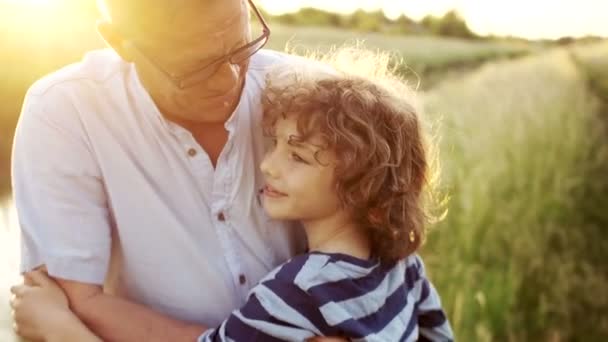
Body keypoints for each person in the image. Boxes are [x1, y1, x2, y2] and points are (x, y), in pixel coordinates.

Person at [11, 49, 454, 341]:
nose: (267, 163)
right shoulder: (401, 264)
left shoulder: (296, 292)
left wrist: (59, 327)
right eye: (275, 142)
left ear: (361, 181)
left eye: (296, 156)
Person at [9, 0, 314, 341]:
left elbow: (374, 289)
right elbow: (76, 303)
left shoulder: (316, 96)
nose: (227, 78)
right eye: (195, 66)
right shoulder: (64, 112)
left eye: (239, 45)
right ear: (119, 41)